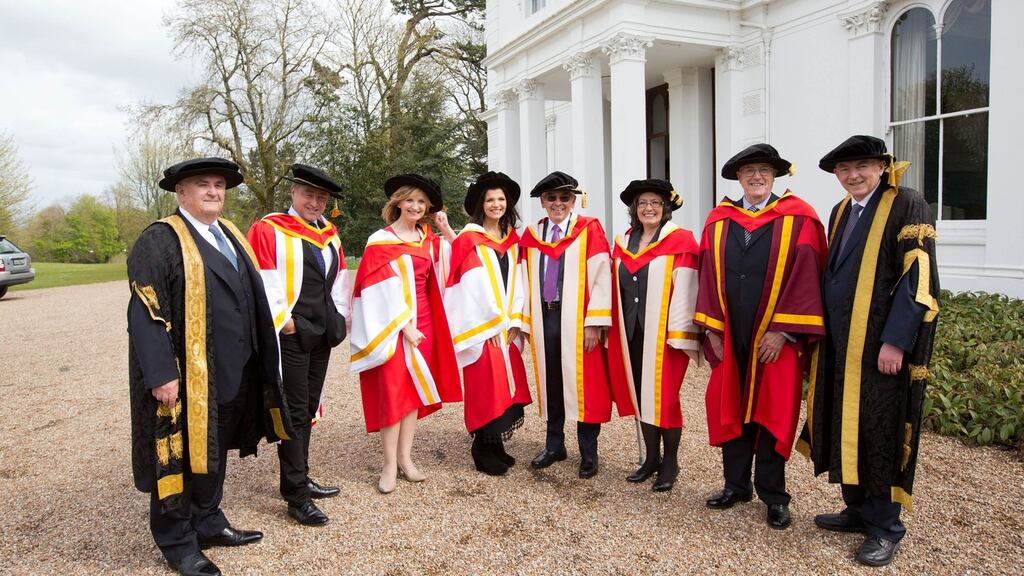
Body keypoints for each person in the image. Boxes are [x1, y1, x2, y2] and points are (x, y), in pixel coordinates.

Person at [127, 157, 294, 576]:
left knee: (212, 454)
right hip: (188, 377)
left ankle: (207, 520)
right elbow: (145, 310)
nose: (213, 191)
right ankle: (178, 543)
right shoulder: (160, 240)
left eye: (219, 184)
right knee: (177, 457)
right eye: (202, 184)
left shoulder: (231, 235)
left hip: (233, 370)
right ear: (181, 193)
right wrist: (162, 373)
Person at [798, 135, 939, 567]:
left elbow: (919, 276)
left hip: (879, 344)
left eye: (861, 166)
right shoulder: (841, 211)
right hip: (842, 343)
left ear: (881, 166)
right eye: (844, 169)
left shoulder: (906, 203)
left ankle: (885, 527)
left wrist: (897, 340)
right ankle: (857, 508)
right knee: (845, 422)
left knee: (879, 429)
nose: (852, 175)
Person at [694, 144, 826, 530]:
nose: (756, 177)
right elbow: (706, 275)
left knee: (773, 411)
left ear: (775, 176)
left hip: (776, 338)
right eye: (749, 170)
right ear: (738, 177)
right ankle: (736, 485)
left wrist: (784, 331)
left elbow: (808, 276)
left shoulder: (799, 218)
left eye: (764, 171)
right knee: (731, 406)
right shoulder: (719, 219)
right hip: (731, 332)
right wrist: (711, 328)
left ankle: (774, 495)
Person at [246, 164, 349, 527]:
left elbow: (337, 280)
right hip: (290, 336)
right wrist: (284, 323)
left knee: (306, 409)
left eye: (322, 197)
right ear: (293, 193)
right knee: (291, 411)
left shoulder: (330, 235)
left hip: (321, 335)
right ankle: (296, 495)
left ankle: (300, 476)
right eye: (309, 194)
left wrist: (340, 317)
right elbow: (262, 280)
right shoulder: (270, 229)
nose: (316, 202)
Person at [349, 173, 461, 494]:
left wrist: (445, 228)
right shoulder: (380, 241)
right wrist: (403, 324)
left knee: (411, 396)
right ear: (397, 202)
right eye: (410, 200)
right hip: (393, 328)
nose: (415, 206)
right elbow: (372, 287)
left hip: (423, 324)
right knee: (392, 393)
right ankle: (387, 464)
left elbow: (464, 257)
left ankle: (405, 458)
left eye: (421, 202)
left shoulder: (428, 239)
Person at [607, 179, 700, 492]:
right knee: (642, 395)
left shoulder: (681, 240)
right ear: (634, 209)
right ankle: (650, 458)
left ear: (666, 208)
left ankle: (670, 461)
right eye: (642, 203)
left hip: (665, 335)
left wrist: (681, 334)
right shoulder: (624, 241)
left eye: (655, 203)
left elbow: (687, 289)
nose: (649, 208)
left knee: (665, 398)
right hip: (631, 332)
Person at [519, 171, 614, 479]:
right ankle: (554, 445)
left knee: (585, 384)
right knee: (551, 381)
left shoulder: (589, 230)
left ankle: (588, 452)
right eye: (551, 198)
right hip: (545, 316)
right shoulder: (532, 235)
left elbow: (602, 275)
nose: (557, 203)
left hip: (578, 320)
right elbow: (521, 279)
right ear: (543, 203)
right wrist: (522, 319)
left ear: (574, 200)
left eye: (564, 197)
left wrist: (594, 323)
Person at [445, 171, 533, 475]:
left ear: (507, 204)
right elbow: (468, 286)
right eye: (490, 199)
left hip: (506, 327)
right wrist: (491, 323)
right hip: (482, 328)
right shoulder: (469, 240)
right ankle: (481, 448)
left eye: (500, 199)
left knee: (505, 387)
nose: (496, 204)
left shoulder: (511, 240)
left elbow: (518, 281)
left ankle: (497, 445)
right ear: (481, 205)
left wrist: (515, 321)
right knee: (486, 385)